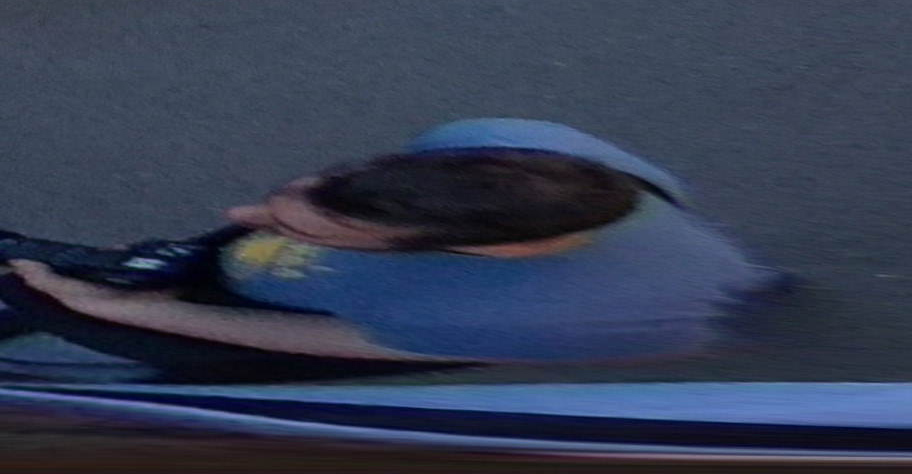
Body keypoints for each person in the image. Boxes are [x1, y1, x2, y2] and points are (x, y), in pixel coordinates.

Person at [0, 119, 767, 382]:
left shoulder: (516, 318)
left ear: (498, 253)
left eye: (306, 227)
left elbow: (275, 340)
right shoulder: (501, 144)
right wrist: (232, 244)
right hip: (260, 283)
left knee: (56, 318)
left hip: (273, 332)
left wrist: (89, 303)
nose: (245, 215)